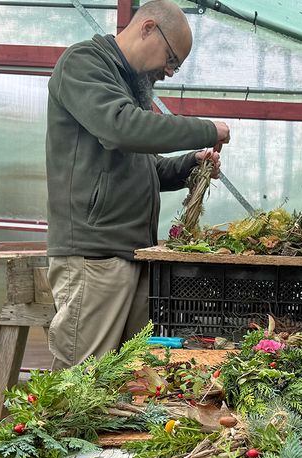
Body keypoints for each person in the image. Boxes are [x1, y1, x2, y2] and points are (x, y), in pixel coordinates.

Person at [45, 0, 230, 369]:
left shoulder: (130, 84)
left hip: (131, 254)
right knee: (80, 383)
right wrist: (207, 128)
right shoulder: (84, 64)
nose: (169, 71)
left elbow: (141, 167)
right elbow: (121, 129)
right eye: (171, 58)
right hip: (95, 257)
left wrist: (186, 166)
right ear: (147, 28)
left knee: (125, 382)